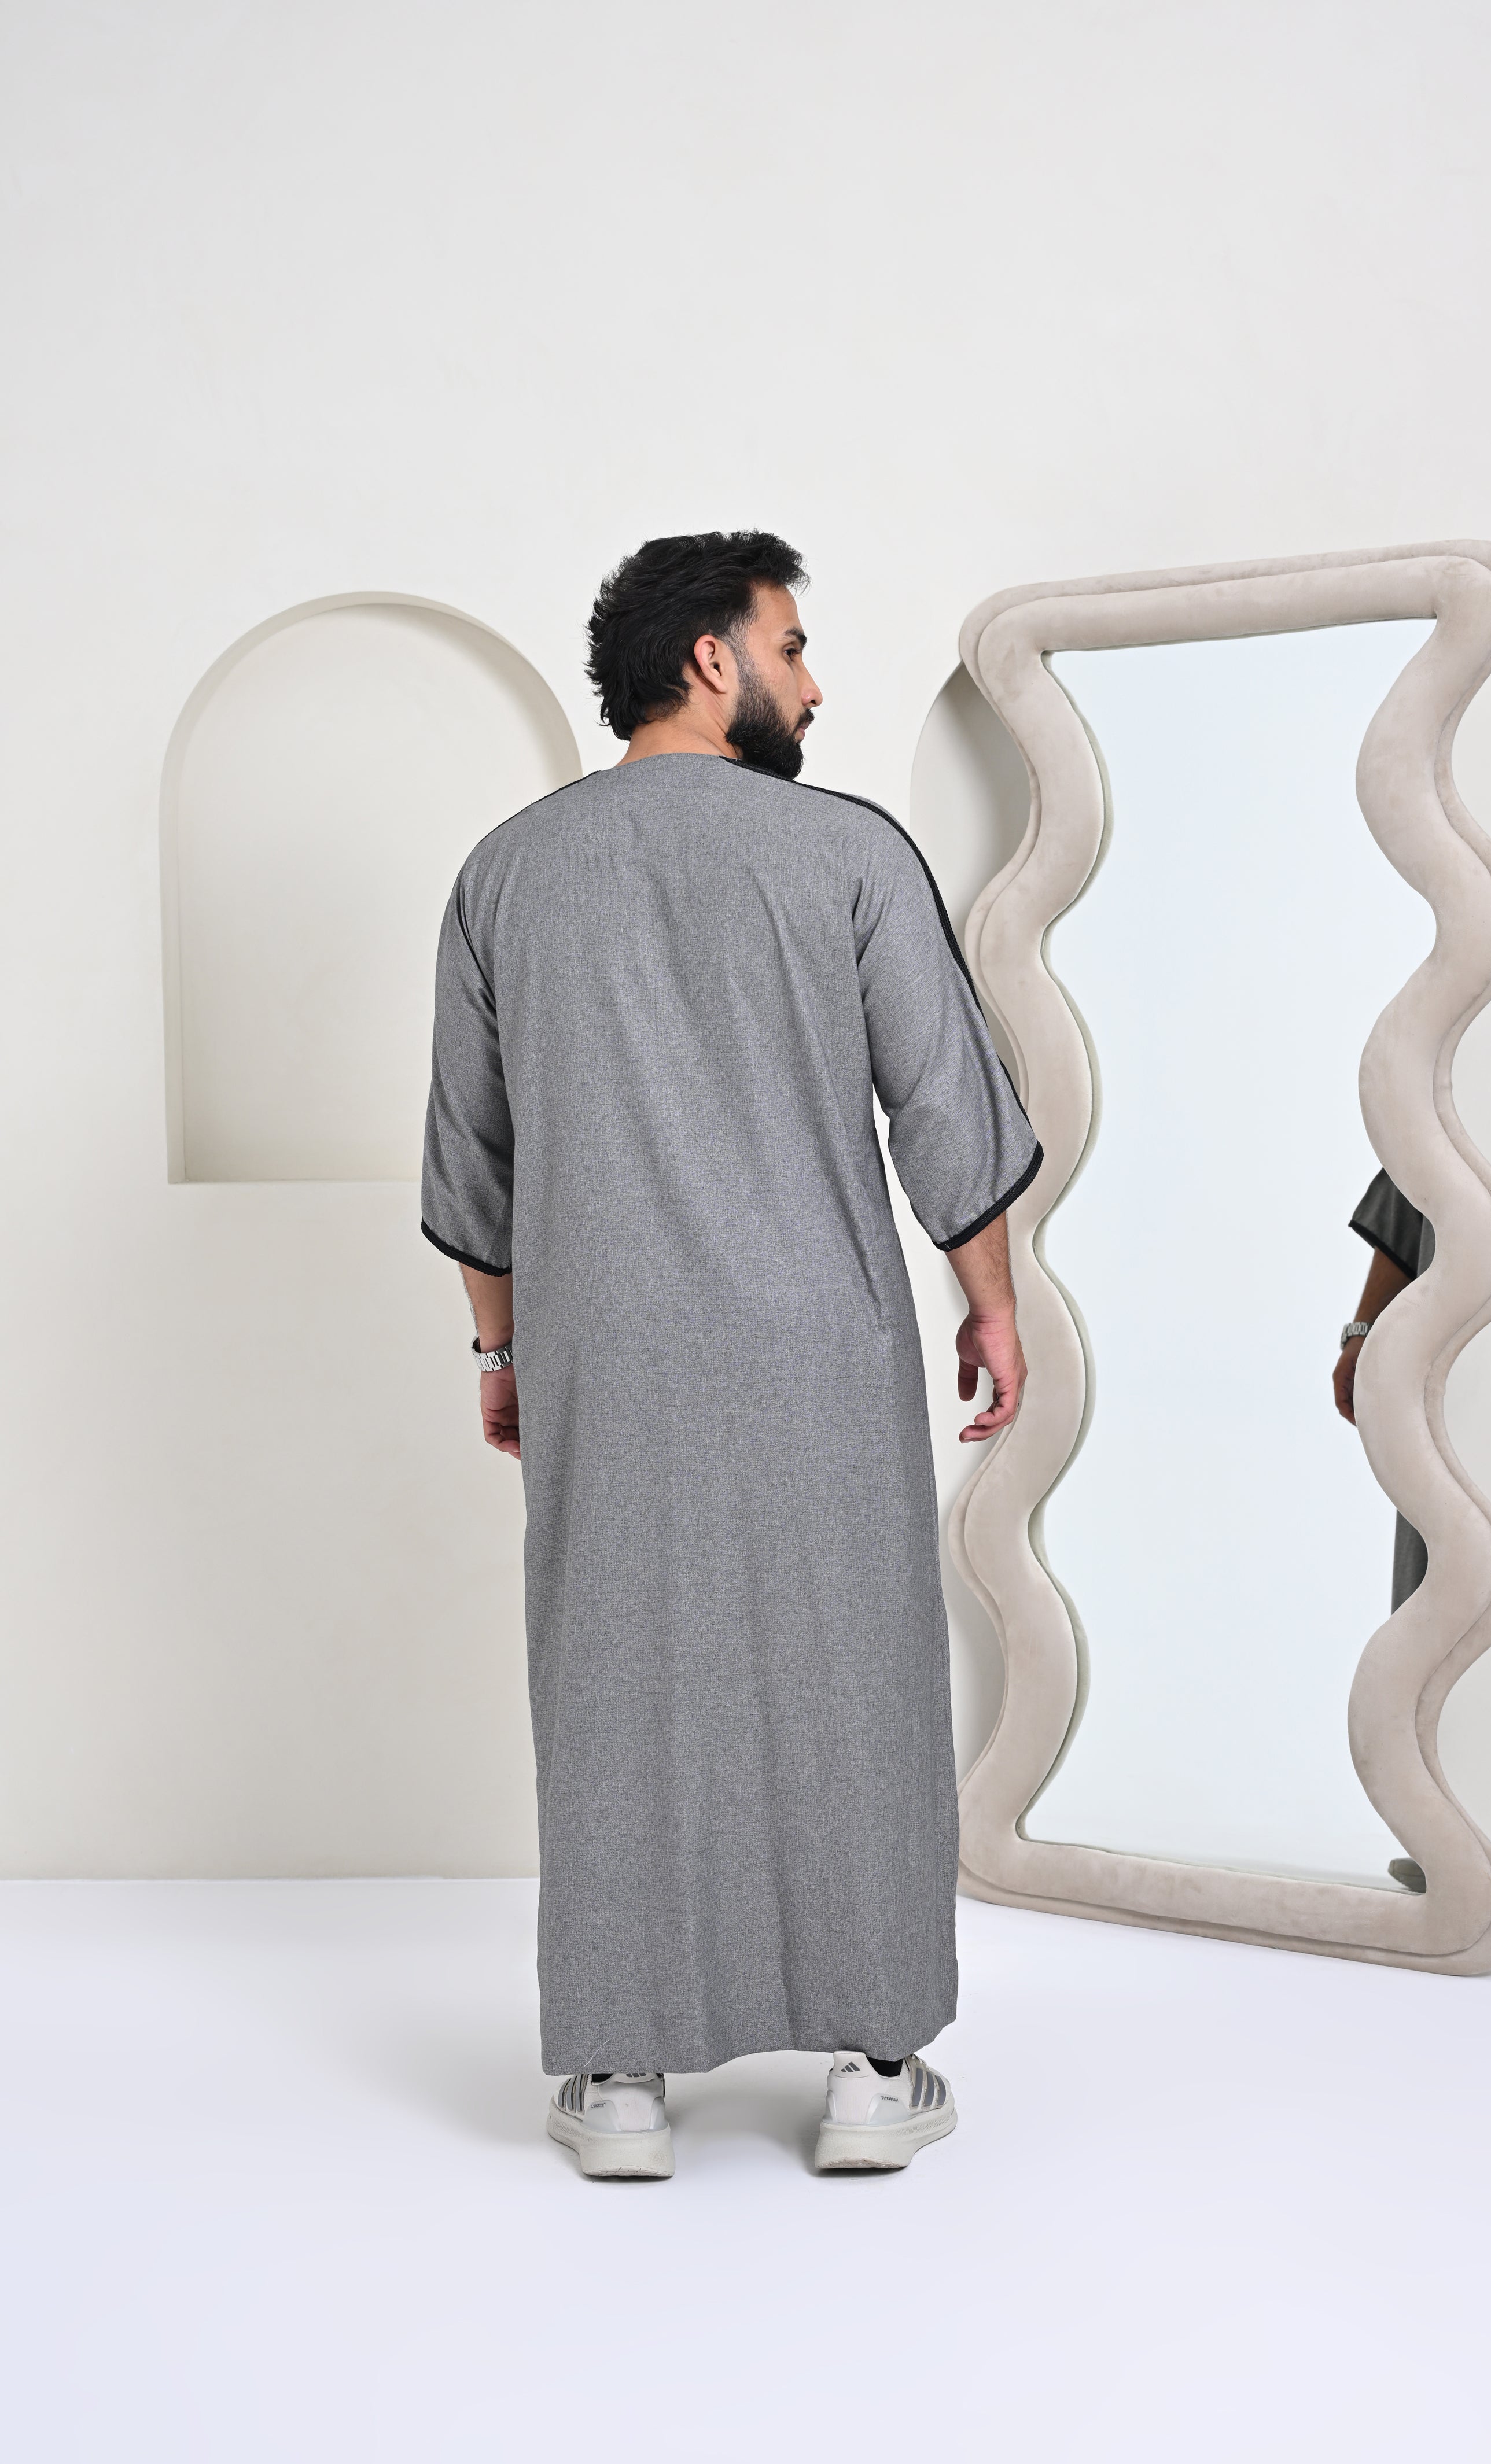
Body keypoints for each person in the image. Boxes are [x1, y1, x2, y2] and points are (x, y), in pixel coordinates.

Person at [421, 532, 1041, 2179]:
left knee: (614, 1677)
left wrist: (498, 1349)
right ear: (714, 659)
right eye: (794, 645)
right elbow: (943, 1105)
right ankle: (875, 2063)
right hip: (819, 1339)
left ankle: (620, 2076)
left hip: (605, 1347)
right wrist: (988, 1301)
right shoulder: (847, 853)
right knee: (857, 1668)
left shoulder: (506, 872)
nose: (812, 683)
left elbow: (474, 1160)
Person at [1335, 1166, 1433, 1894]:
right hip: (1443, 1373)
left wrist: (1363, 1334)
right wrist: (1363, 1333)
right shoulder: (1449, 1108)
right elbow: (1409, 1179)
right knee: (1439, 1588)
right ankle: (1441, 1839)